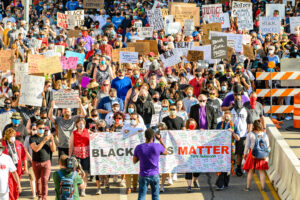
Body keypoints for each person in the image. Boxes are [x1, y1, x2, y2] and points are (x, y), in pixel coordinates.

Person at [133, 128, 167, 200]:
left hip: (143, 174)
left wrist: (142, 156)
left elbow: (134, 161)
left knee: (141, 196)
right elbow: (166, 152)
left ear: (145, 136)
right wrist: (160, 140)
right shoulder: (157, 146)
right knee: (155, 197)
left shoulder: (139, 147)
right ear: (153, 136)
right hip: (154, 174)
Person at [30, 120, 56, 200]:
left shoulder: (47, 137)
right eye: (40, 128)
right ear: (36, 128)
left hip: (46, 162)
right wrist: (44, 140)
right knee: (38, 180)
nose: (42, 129)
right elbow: (36, 149)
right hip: (36, 162)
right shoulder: (32, 138)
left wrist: (52, 140)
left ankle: (44, 197)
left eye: (43, 128)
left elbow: (54, 150)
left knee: (45, 180)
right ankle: (39, 196)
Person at [215, 111, 240, 190]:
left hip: (230, 148)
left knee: (227, 166)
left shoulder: (234, 126)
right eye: (225, 116)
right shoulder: (219, 125)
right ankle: (220, 184)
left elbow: (238, 138)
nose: (226, 118)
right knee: (222, 166)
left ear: (231, 118)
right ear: (223, 117)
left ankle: (225, 183)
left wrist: (232, 132)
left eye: (228, 117)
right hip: (221, 148)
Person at [243, 120, 270, 191]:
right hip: (262, 155)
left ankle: (247, 187)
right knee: (261, 171)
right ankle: (263, 187)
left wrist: (245, 154)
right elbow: (268, 146)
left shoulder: (250, 134)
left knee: (251, 171)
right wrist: (266, 155)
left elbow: (247, 145)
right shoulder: (265, 135)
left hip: (252, 154)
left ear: (253, 126)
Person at [1, 128, 27, 200]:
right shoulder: (3, 144)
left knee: (17, 189)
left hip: (17, 169)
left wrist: (26, 168)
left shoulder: (18, 143)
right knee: (10, 188)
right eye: (10, 136)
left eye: (13, 136)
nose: (12, 137)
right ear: (7, 136)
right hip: (8, 171)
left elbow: (24, 157)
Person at [69, 118, 90, 197]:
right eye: (79, 123)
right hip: (76, 155)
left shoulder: (88, 131)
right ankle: (77, 189)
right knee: (77, 172)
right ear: (76, 124)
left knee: (85, 172)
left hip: (86, 154)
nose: (81, 125)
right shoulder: (73, 133)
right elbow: (71, 145)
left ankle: (83, 189)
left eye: (83, 123)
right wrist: (69, 156)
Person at [184, 118, 200, 192]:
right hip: (187, 154)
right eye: (190, 124)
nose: (192, 125)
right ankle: (189, 186)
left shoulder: (198, 132)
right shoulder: (184, 132)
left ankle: (195, 180)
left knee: (197, 170)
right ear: (188, 124)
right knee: (188, 170)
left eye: (193, 124)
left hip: (197, 154)